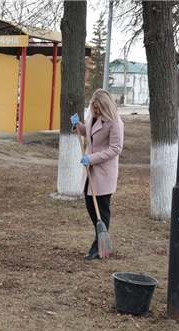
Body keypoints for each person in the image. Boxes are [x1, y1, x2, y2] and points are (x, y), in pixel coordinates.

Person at [71, 89, 124, 260]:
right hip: (90, 170)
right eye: (94, 109)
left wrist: (91, 158)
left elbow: (115, 148)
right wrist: (78, 126)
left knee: (101, 209)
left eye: (99, 109)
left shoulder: (115, 122)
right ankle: (101, 240)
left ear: (106, 106)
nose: (97, 112)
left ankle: (99, 245)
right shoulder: (92, 115)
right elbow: (90, 133)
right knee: (90, 206)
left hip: (103, 170)